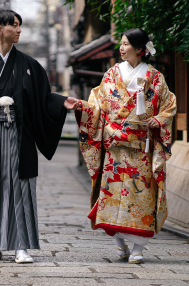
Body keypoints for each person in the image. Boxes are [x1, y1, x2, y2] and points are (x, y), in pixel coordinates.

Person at [0, 10, 81, 264]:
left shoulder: (29, 66)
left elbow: (43, 98)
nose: (19, 30)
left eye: (20, 26)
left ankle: (22, 246)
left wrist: (63, 103)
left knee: (20, 188)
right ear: (0, 28)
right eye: (15, 26)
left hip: (20, 136)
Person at [75, 28, 177, 264]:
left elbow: (168, 105)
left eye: (126, 44)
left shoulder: (154, 77)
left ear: (140, 49)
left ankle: (138, 247)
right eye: (120, 43)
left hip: (141, 147)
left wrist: (158, 120)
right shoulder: (111, 74)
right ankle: (120, 244)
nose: (121, 48)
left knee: (140, 197)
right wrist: (81, 106)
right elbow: (97, 105)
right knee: (111, 197)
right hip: (114, 147)